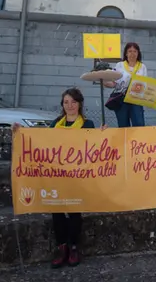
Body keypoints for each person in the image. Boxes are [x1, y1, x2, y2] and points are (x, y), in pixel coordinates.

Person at [12, 88, 107, 268]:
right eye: (66, 102)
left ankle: (73, 247)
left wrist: (103, 134)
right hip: (57, 174)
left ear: (79, 104)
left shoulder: (88, 124)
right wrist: (21, 131)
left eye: (73, 102)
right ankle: (62, 247)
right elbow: (42, 141)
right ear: (62, 105)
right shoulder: (56, 123)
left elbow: (95, 146)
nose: (70, 106)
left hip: (77, 175)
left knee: (74, 211)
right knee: (57, 211)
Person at [105, 42, 147, 127]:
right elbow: (114, 83)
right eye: (130, 51)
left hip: (136, 99)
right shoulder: (120, 65)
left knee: (139, 124)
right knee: (123, 126)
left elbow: (145, 85)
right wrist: (104, 81)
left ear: (138, 53)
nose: (132, 53)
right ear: (126, 53)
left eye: (135, 51)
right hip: (121, 98)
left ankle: (137, 140)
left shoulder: (142, 67)